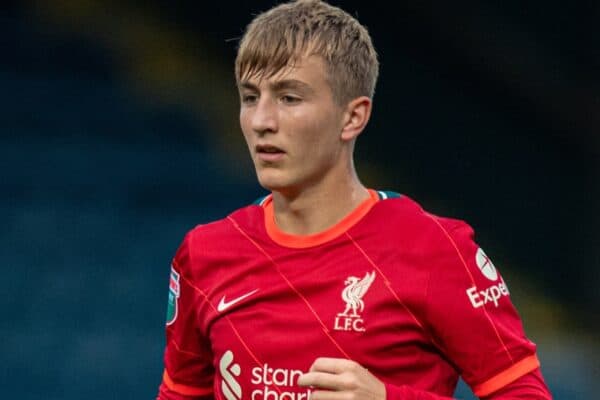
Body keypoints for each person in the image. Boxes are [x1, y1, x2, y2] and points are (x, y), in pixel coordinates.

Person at [157, 1, 552, 399]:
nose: (262, 121)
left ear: (353, 117)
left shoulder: (435, 249)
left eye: (289, 98)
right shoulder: (205, 254)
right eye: (249, 97)